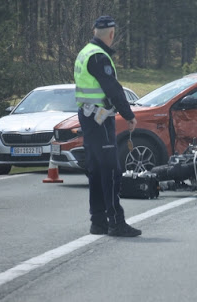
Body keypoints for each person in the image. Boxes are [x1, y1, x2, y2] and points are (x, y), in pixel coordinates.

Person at [74, 15, 141, 237]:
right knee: (111, 171)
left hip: (89, 118)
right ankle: (115, 222)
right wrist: (129, 115)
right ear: (111, 34)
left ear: (94, 31)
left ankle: (99, 221)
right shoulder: (99, 57)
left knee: (96, 170)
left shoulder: (85, 52)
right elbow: (113, 89)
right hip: (99, 121)